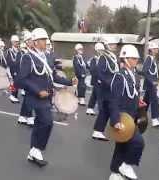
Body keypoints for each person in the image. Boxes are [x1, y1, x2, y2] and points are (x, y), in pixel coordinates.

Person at [17, 28, 77, 166]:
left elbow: (53, 76)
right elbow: (21, 80)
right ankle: (37, 149)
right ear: (36, 42)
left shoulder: (47, 57)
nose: (46, 42)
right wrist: (38, 91)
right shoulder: (28, 57)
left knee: (40, 123)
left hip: (47, 97)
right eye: (43, 40)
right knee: (47, 122)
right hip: (36, 97)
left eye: (46, 39)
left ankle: (33, 150)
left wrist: (69, 82)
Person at [108, 44, 145, 180]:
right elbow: (114, 101)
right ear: (125, 59)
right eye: (133, 58)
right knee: (138, 142)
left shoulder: (132, 76)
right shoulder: (120, 76)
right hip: (123, 118)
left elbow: (131, 95)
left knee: (122, 146)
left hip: (131, 117)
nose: (136, 61)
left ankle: (114, 172)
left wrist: (138, 102)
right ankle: (127, 165)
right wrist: (116, 120)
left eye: (136, 59)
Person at [92, 36, 120, 141]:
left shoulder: (112, 56)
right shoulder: (104, 57)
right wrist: (110, 83)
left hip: (112, 87)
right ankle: (113, 127)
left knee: (106, 110)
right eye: (112, 44)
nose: (114, 46)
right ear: (107, 45)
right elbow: (100, 73)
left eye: (115, 44)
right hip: (106, 88)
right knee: (108, 108)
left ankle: (98, 131)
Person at [142, 42, 159, 127]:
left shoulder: (152, 59)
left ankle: (141, 116)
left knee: (145, 102)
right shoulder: (149, 59)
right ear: (151, 50)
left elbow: (152, 72)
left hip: (151, 84)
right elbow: (144, 71)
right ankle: (155, 119)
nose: (157, 50)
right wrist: (152, 81)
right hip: (151, 84)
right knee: (154, 101)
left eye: (157, 49)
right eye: (155, 49)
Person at [86, 42, 105, 116]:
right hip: (97, 80)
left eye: (102, 50)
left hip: (100, 80)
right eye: (100, 50)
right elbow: (92, 69)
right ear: (97, 50)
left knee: (94, 94)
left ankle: (90, 108)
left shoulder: (102, 58)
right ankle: (101, 110)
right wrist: (98, 77)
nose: (101, 51)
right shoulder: (94, 59)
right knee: (100, 95)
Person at [6, 35, 20, 103]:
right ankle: (12, 95)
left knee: (16, 83)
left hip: (18, 69)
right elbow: (9, 61)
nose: (17, 43)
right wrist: (12, 71)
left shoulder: (19, 50)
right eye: (15, 42)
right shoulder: (10, 51)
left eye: (17, 42)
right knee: (13, 83)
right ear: (12, 42)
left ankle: (14, 96)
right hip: (12, 69)